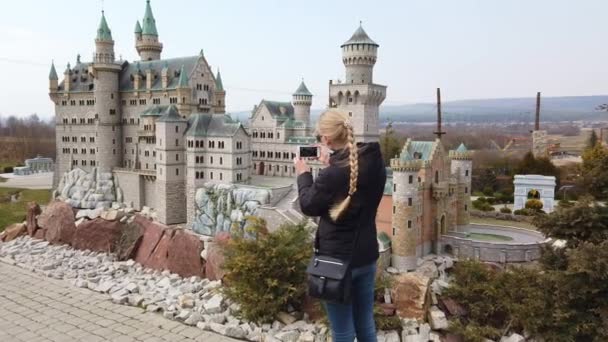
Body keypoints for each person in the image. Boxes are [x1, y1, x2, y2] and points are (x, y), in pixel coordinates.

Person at [294, 109, 386, 342]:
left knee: (343, 331)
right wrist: (334, 160)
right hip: (366, 256)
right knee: (365, 322)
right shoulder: (374, 161)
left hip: (336, 263)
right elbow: (351, 178)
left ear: (326, 140)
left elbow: (308, 205)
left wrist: (303, 174)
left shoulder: (333, 175)